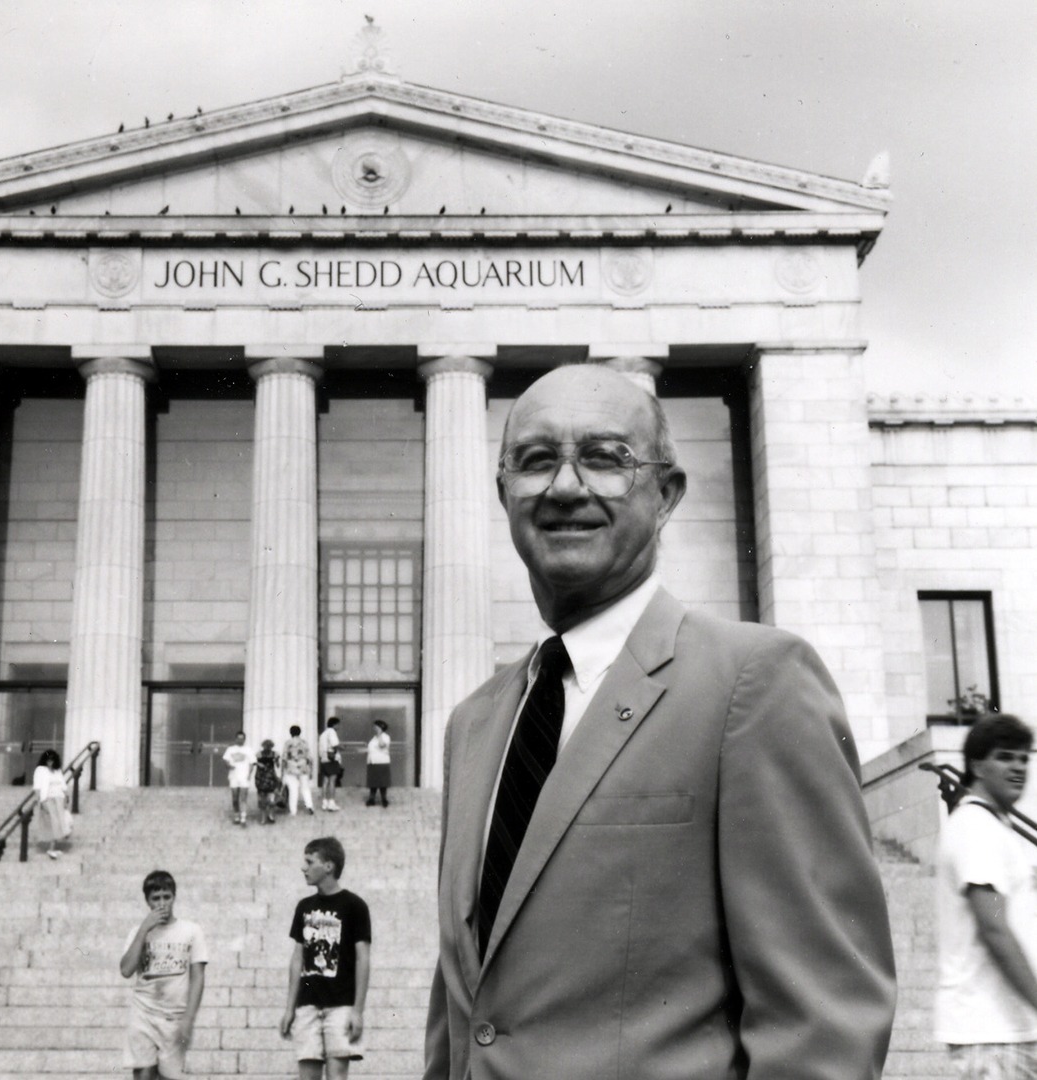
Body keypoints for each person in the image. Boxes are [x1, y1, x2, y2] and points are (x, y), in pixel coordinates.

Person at [424, 364, 896, 1080]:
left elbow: (822, 1025)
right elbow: (463, 1016)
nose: (563, 487)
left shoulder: (754, 682)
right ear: (503, 493)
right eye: (536, 460)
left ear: (666, 493)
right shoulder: (474, 723)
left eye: (605, 458)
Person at [936, 714, 1037, 1077]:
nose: (1019, 767)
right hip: (992, 1035)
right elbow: (994, 928)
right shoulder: (976, 828)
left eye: (1024, 758)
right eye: (1005, 757)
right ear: (977, 765)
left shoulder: (994, 829)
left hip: (1008, 1031)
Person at [281, 837, 372, 1080]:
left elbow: (363, 959)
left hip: (340, 1006)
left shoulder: (355, 906)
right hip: (307, 1005)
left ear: (329, 866)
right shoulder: (304, 907)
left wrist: (358, 1011)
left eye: (310, 862)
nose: (304, 867)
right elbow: (298, 957)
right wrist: (290, 1007)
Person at [119, 869, 208, 1080]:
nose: (162, 903)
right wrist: (144, 930)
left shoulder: (191, 931)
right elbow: (126, 969)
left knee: (171, 1076)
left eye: (166, 897)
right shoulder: (138, 932)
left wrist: (189, 1017)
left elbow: (198, 977)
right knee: (144, 1073)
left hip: (174, 1015)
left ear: (174, 897)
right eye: (155, 898)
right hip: (143, 1011)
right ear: (147, 901)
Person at [32, 749, 70, 859]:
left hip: (59, 797)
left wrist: (67, 796)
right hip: (47, 798)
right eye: (48, 760)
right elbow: (37, 786)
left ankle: (53, 847)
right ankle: (51, 848)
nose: (50, 762)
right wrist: (39, 800)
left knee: (59, 822)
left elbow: (63, 784)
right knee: (53, 822)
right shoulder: (40, 770)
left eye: (52, 760)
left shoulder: (57, 771)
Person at [221, 731, 256, 826]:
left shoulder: (248, 750)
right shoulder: (230, 749)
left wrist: (249, 775)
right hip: (234, 776)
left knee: (243, 798)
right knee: (235, 798)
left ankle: (243, 818)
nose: (240, 740)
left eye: (242, 738)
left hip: (244, 777)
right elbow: (225, 760)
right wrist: (229, 766)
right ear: (235, 739)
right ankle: (236, 815)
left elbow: (252, 763)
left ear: (244, 739)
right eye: (238, 738)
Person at [283, 725, 317, 816]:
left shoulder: (288, 743)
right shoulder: (304, 743)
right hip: (303, 768)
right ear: (300, 732)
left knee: (293, 790)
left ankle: (293, 811)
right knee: (305, 788)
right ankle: (309, 806)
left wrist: (283, 772)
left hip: (291, 768)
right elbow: (310, 758)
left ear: (290, 733)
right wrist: (311, 770)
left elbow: (284, 758)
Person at [318, 717, 343, 812]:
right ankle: (331, 802)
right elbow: (335, 744)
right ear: (334, 724)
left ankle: (324, 802)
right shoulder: (332, 732)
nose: (339, 727)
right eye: (338, 724)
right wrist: (343, 747)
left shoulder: (323, 734)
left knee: (325, 781)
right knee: (332, 781)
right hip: (331, 759)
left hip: (323, 759)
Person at [364, 720, 391, 808]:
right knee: (373, 782)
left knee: (382, 782)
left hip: (382, 761)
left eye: (376, 727)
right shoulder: (374, 738)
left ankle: (384, 799)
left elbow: (382, 745)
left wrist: (379, 735)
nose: (374, 728)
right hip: (372, 761)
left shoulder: (385, 737)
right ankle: (372, 799)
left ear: (380, 727)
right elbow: (372, 749)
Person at [255, 739, 282, 825]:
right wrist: (259, 764)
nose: (268, 748)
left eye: (270, 746)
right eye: (266, 746)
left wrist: (276, 761)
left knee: (271, 798)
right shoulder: (258, 754)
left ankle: (270, 815)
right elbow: (254, 763)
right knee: (262, 798)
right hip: (261, 776)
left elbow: (278, 766)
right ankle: (263, 817)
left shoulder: (275, 754)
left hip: (271, 776)